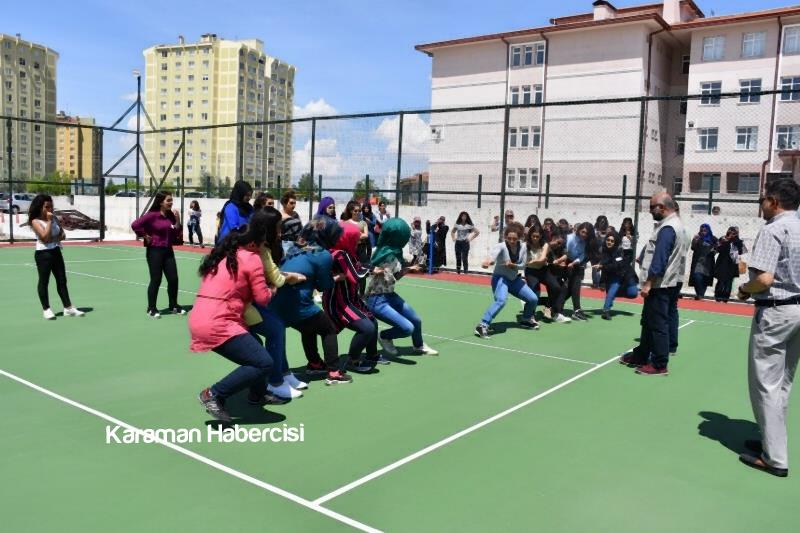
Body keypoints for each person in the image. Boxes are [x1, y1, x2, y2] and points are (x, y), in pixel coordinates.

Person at [191, 211, 286, 422]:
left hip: (202, 316)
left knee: (257, 345)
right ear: (263, 238)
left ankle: (257, 394)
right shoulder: (252, 258)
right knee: (264, 363)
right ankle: (213, 394)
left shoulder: (228, 253)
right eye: (277, 230)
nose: (279, 234)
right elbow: (263, 298)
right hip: (217, 322)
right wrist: (273, 289)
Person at [736, 179, 800, 478]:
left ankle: (775, 458)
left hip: (776, 311)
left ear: (774, 201)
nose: (761, 204)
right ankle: (769, 441)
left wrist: (745, 290)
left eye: (763, 199)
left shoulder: (774, 228)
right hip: (797, 310)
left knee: (765, 384)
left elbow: (764, 280)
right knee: (783, 383)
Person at [269, 217, 353, 385]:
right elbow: (323, 285)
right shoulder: (322, 254)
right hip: (297, 304)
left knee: (308, 326)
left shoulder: (296, 247)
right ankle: (334, 372)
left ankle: (315, 364)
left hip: (276, 302)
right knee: (328, 329)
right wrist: (336, 277)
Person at [620, 192, 688, 376]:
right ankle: (641, 354)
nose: (650, 211)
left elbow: (659, 259)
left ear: (663, 207)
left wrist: (648, 283)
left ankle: (659, 364)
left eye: (652, 207)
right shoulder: (678, 226)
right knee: (649, 321)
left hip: (661, 284)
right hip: (670, 282)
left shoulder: (667, 229)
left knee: (657, 324)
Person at [245, 206, 308, 400]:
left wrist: (283, 277)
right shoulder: (258, 247)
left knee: (277, 327)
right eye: (278, 227)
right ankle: (275, 381)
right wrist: (291, 277)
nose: (281, 231)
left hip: (251, 300)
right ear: (268, 228)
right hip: (241, 303)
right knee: (275, 329)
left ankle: (283, 373)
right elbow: (276, 278)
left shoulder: (262, 245)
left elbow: (274, 274)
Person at [366, 218, 439, 356]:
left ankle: (419, 345)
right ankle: (384, 336)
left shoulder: (396, 253)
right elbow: (366, 269)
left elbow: (395, 277)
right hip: (376, 299)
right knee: (407, 328)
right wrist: (374, 270)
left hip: (389, 294)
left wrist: (409, 269)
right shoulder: (378, 251)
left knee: (416, 320)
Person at [324, 222, 381, 370]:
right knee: (367, 328)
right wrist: (372, 271)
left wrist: (372, 267)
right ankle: (352, 360)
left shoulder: (348, 253)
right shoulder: (340, 254)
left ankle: (372, 355)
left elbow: (358, 267)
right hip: (338, 302)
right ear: (345, 238)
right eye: (355, 238)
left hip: (351, 299)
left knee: (373, 323)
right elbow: (355, 275)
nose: (359, 240)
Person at [474, 221, 539, 338]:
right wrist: (488, 262)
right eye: (509, 238)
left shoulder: (523, 247)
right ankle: (482, 325)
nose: (512, 241)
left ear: (519, 238)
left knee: (533, 299)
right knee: (501, 301)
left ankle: (526, 319)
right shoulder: (500, 246)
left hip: (514, 279)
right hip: (500, 279)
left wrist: (513, 266)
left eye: (514, 239)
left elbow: (523, 265)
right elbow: (492, 257)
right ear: (505, 237)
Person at [28, 194, 84, 320]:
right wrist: (48, 222)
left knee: (62, 280)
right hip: (43, 254)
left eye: (51, 207)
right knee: (44, 281)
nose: (50, 210)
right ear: (40, 208)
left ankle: (68, 308)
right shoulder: (35, 221)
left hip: (56, 251)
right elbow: (44, 237)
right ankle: (46, 309)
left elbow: (63, 235)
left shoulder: (54, 219)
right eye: (47, 207)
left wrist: (51, 237)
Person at [131, 191, 185, 318]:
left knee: (173, 279)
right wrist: (144, 235)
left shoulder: (170, 215)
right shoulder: (151, 215)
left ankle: (173, 305)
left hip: (168, 250)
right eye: (168, 200)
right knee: (156, 279)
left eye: (172, 200)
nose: (171, 203)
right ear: (161, 202)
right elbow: (135, 225)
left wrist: (178, 220)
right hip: (154, 251)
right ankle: (151, 308)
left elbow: (176, 231)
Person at [523, 222, 564, 323]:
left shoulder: (545, 245)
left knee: (556, 287)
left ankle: (548, 307)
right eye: (533, 236)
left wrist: (533, 261)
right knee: (534, 293)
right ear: (530, 235)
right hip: (531, 272)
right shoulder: (525, 245)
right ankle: (529, 316)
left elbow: (542, 259)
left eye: (537, 236)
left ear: (541, 236)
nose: (535, 238)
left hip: (543, 270)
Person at [596, 231, 638, 320]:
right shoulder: (603, 251)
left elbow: (616, 265)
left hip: (626, 274)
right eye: (608, 240)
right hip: (614, 275)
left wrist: (602, 266)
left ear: (615, 242)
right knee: (613, 288)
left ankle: (612, 294)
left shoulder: (619, 251)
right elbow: (605, 269)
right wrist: (602, 282)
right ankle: (606, 310)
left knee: (633, 294)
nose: (609, 242)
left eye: (612, 241)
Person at [563, 222, 594, 321]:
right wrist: (566, 263)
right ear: (579, 230)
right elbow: (565, 252)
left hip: (575, 263)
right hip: (564, 261)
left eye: (586, 233)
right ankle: (554, 306)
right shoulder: (570, 238)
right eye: (583, 232)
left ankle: (576, 310)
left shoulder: (586, 242)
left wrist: (575, 263)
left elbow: (582, 256)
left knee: (575, 285)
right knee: (569, 287)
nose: (584, 234)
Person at [714, 226, 747, 302]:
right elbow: (717, 249)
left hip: (732, 264)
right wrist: (725, 240)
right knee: (721, 280)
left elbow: (742, 251)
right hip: (722, 262)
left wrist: (737, 240)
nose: (731, 234)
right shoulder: (723, 239)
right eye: (730, 232)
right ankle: (717, 297)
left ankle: (725, 298)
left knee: (729, 282)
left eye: (734, 233)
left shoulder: (738, 241)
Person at [280, 190, 303, 255]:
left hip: (298, 243)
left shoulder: (295, 214)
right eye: (291, 203)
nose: (294, 205)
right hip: (287, 244)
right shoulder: (280, 215)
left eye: (295, 203)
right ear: (284, 203)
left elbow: (301, 227)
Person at [592, 216, 610, 288]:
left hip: (605, 251)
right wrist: (597, 236)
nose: (602, 223)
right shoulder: (594, 230)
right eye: (600, 221)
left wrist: (604, 236)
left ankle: (603, 283)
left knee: (604, 268)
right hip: (595, 251)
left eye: (603, 221)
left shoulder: (608, 229)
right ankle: (596, 283)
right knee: (595, 268)